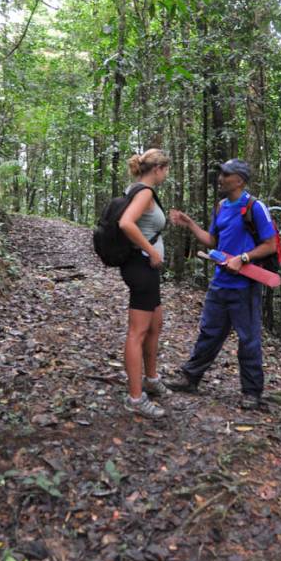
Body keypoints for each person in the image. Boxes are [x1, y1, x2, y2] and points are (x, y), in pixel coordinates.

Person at [168, 158, 276, 410]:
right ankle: (190, 378)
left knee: (248, 340)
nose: (220, 178)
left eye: (225, 175)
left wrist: (244, 258)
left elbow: (269, 245)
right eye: (220, 174)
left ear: (239, 180)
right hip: (220, 283)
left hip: (245, 287)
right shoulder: (221, 207)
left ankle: (252, 392)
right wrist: (190, 224)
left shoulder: (255, 207)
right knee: (209, 332)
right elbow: (213, 241)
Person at [118, 149, 170, 420]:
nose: (167, 174)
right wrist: (151, 250)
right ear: (158, 169)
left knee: (155, 323)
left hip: (144, 268)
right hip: (141, 267)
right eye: (166, 169)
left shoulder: (136, 188)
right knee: (137, 332)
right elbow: (126, 223)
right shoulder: (145, 192)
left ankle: (151, 378)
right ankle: (135, 398)